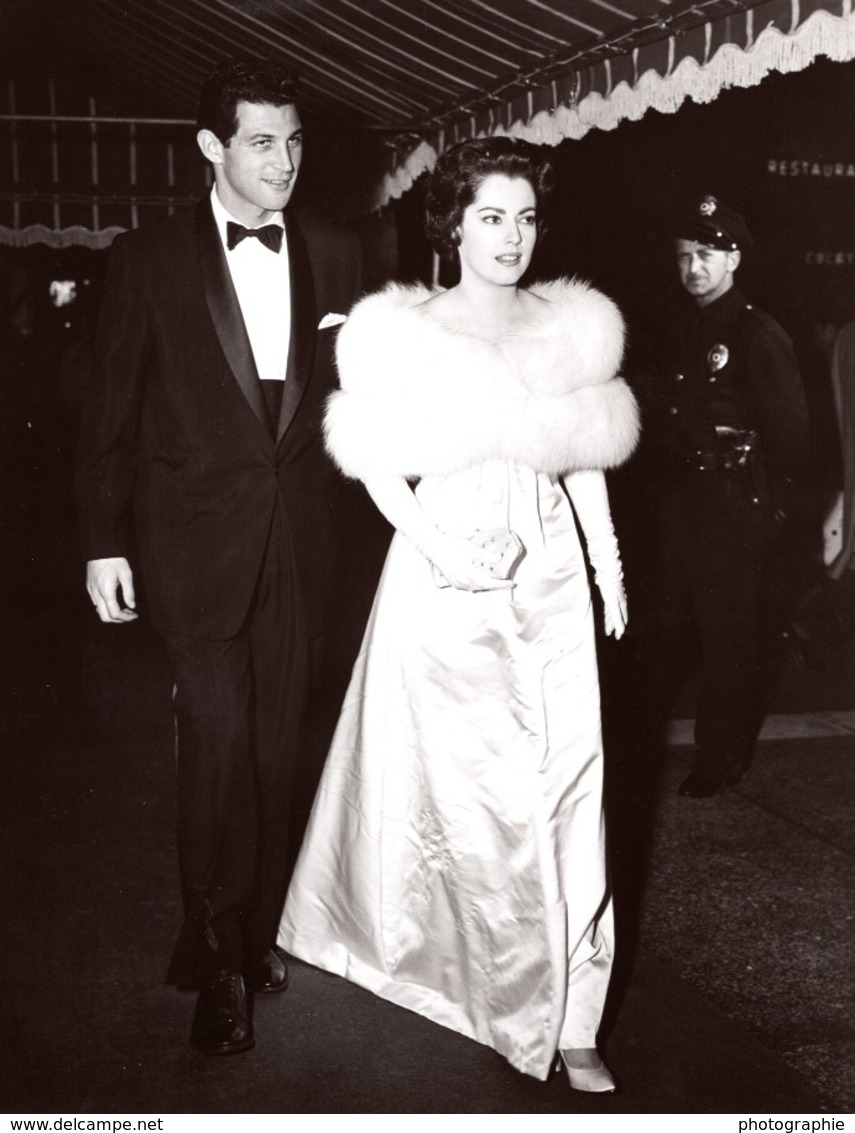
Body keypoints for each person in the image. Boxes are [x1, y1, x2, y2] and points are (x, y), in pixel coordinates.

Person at [279, 137, 639, 1090]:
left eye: (524, 217)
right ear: (451, 223)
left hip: (548, 569)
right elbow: (376, 464)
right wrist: (441, 549)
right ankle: (475, 981)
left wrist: (604, 565)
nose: (511, 236)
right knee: (460, 790)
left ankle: (572, 1014)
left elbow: (583, 453)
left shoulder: (572, 325)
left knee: (566, 781)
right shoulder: (400, 329)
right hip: (442, 568)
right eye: (491, 216)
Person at [75, 58, 362, 1055]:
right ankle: (219, 956)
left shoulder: (337, 248)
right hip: (193, 549)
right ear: (211, 147)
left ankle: (251, 922)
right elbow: (107, 413)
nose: (283, 162)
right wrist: (103, 541)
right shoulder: (148, 256)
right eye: (260, 142)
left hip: (303, 547)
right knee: (218, 749)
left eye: (292, 141)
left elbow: (365, 401)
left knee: (281, 755)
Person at [639, 194, 808, 798]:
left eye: (706, 255)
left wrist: (771, 510)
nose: (693, 268)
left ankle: (720, 758)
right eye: (684, 256)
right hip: (683, 501)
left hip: (734, 504)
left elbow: (791, 435)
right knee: (673, 627)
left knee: (727, 636)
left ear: (734, 260)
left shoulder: (755, 332)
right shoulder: (681, 328)